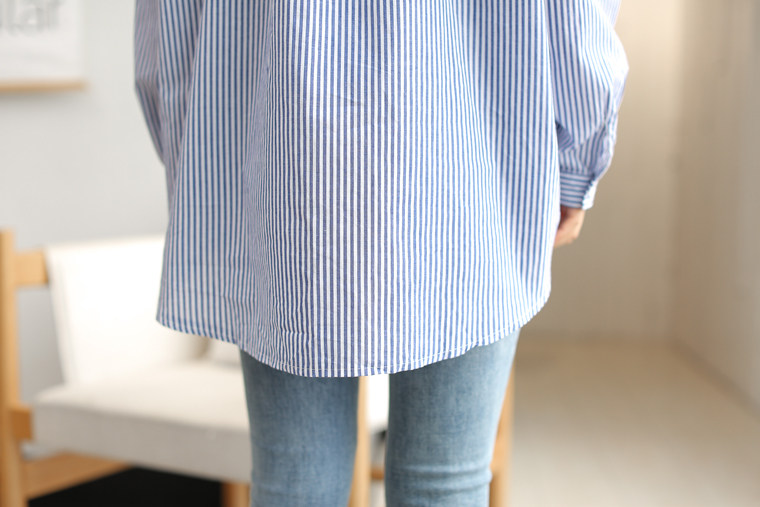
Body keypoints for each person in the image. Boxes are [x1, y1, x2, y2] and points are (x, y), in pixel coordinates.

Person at [134, 1, 627, 505]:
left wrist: (196, 167)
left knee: (294, 478)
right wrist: (577, 161)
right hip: (471, 164)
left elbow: (165, 37)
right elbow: (578, 17)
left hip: (286, 171)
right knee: (443, 480)